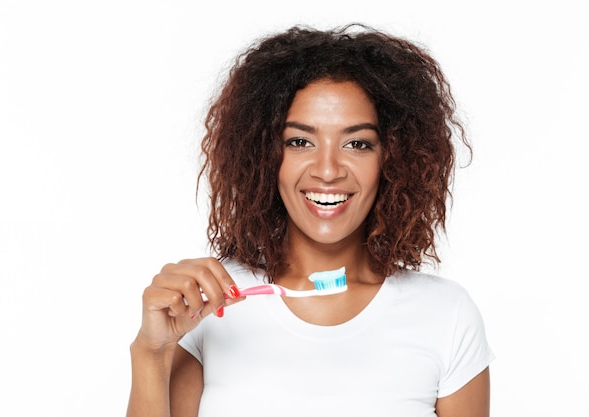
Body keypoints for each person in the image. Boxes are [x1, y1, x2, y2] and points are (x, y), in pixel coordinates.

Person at [127, 24, 494, 417]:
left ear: (393, 159)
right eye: (299, 141)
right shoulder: (207, 307)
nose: (328, 170)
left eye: (357, 143)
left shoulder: (446, 315)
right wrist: (151, 352)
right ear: (264, 155)